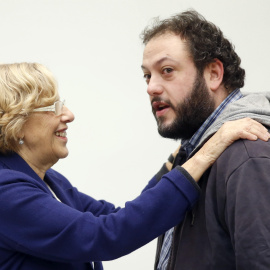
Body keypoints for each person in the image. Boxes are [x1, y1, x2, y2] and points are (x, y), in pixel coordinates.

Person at [0, 63, 268, 270]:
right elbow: (106, 235)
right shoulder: (6, 194)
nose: (68, 115)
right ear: (16, 121)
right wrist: (204, 155)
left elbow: (123, 216)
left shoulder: (49, 181)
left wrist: (176, 161)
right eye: (53, 107)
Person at [141, 9, 270, 270]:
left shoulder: (247, 157)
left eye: (167, 70)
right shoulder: (192, 155)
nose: (151, 87)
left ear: (213, 74)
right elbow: (118, 221)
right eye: (147, 75)